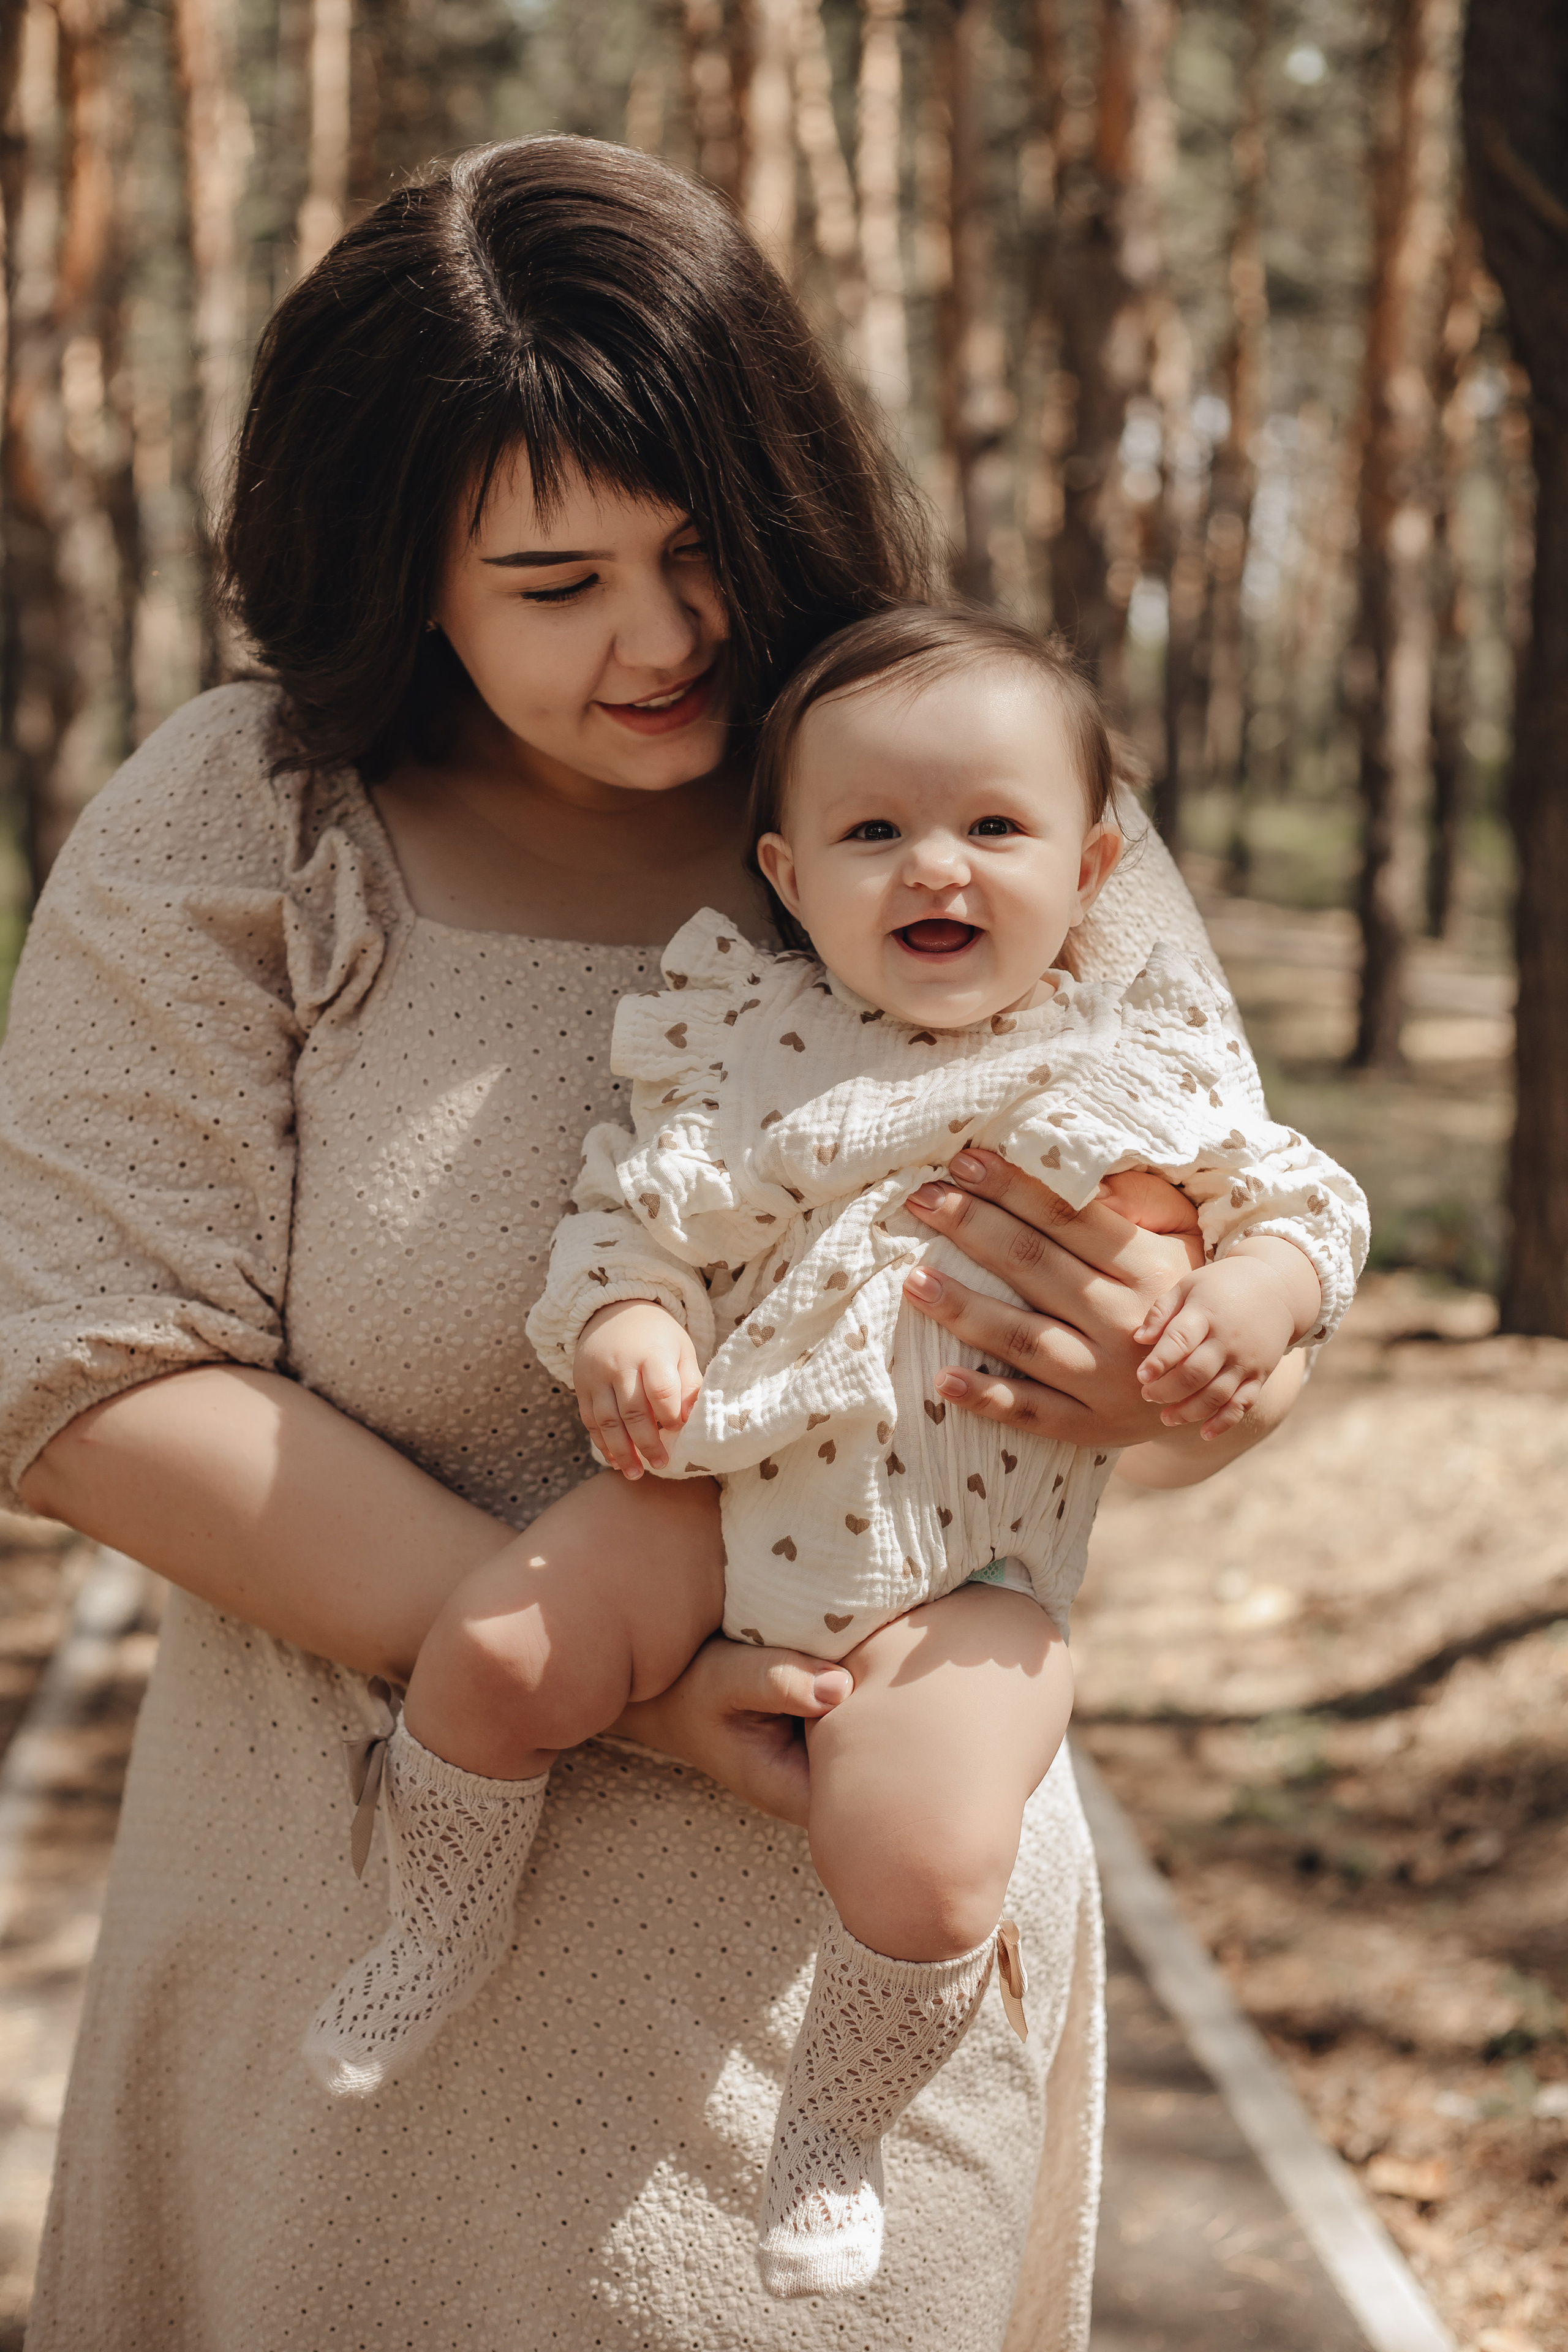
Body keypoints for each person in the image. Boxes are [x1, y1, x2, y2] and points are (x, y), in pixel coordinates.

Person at [0, 138, 1311, 2352]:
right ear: (400, 571)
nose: (666, 635)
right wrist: (588, 1675)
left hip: (857, 1998)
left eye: (703, 546)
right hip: (346, 1981)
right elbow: (93, 1371)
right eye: (555, 579)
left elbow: (1225, 1265)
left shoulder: (969, 782)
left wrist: (1191, 1371)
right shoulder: (252, 820)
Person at [299, 604, 1366, 2298]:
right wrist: (631, 1328)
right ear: (790, 878)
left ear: (1092, 870)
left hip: (977, 1561)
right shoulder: (747, 1046)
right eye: (876, 834)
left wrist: (1264, 1288)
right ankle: (431, 1919)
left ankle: (840, 2121)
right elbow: (629, 1224)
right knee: (497, 1649)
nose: (934, 867)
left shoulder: (1133, 1054)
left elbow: (1305, 1194)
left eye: (992, 829)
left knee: (934, 1853)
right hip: (731, 1487)